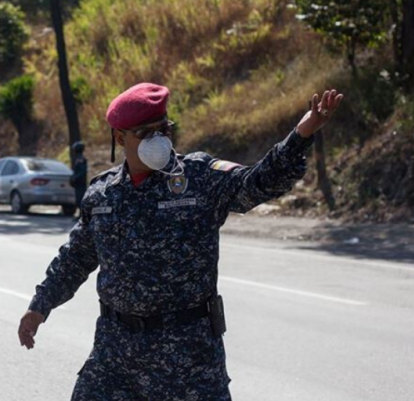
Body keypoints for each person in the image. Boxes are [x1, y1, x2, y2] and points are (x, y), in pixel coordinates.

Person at [18, 82, 343, 400]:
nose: (158, 139)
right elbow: (75, 259)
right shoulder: (103, 193)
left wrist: (301, 135)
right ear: (120, 137)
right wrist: (40, 306)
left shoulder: (198, 178)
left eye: (164, 129)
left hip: (186, 359)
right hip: (115, 355)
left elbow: (257, 183)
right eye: (146, 132)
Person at [69, 141, 88, 218]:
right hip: (78, 183)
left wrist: (75, 178)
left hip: (80, 183)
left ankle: (82, 215)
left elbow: (82, 171)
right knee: (78, 199)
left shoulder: (81, 159)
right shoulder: (78, 158)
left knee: (80, 199)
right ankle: (80, 215)